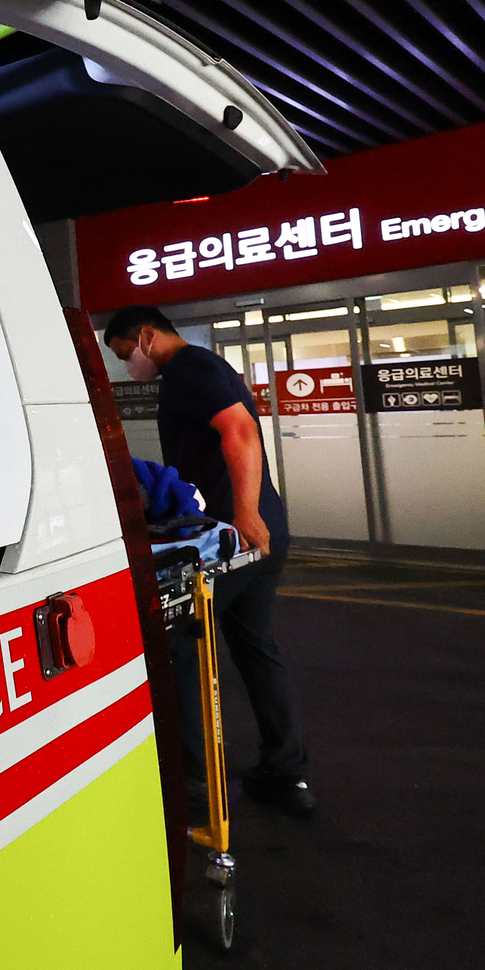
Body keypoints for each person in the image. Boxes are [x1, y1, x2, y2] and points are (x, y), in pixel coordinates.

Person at [103, 304, 315, 816]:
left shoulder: (190, 367)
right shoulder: (198, 369)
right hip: (253, 533)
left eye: (126, 353)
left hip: (230, 538)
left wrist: (246, 514)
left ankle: (193, 782)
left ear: (147, 336)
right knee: (254, 645)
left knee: (179, 641)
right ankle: (285, 770)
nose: (129, 364)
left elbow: (238, 430)